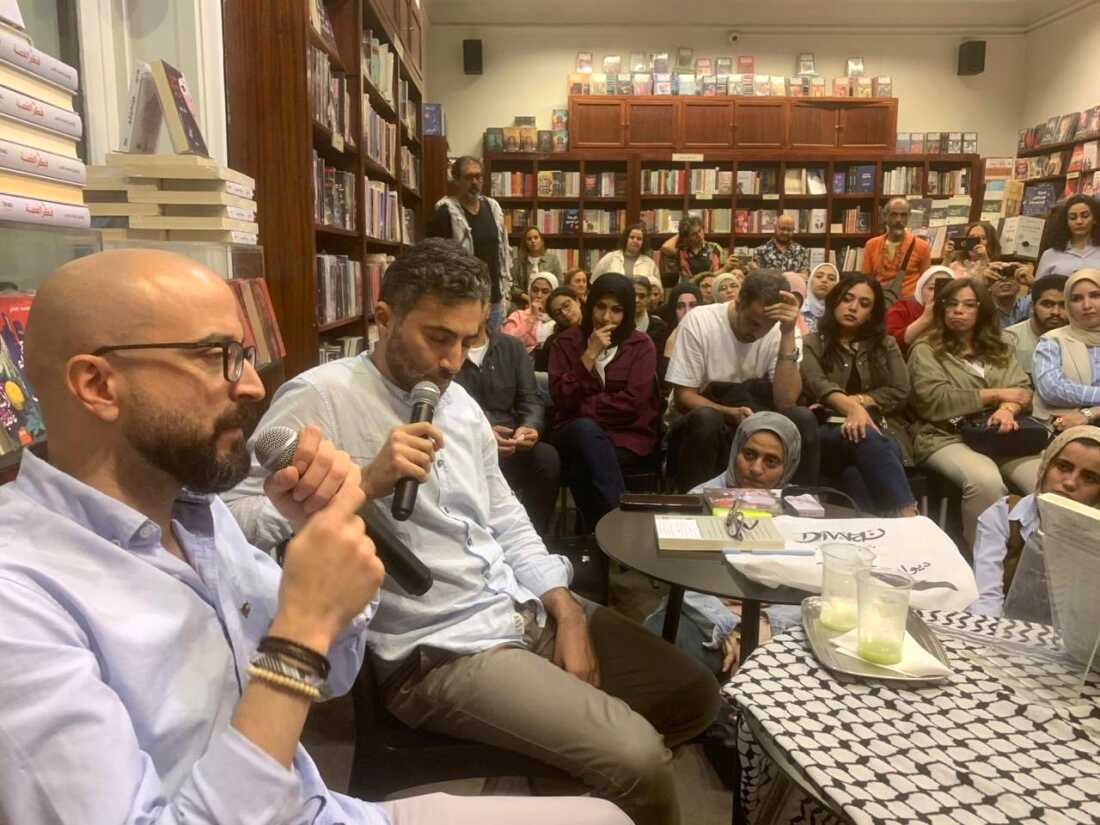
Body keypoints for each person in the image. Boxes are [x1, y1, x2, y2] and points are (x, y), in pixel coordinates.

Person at [0, 249, 629, 825]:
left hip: (322, 806)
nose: (250, 385)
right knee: (631, 769)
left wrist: (326, 553)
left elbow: (332, 678)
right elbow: (304, 664)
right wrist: (299, 638)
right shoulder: (21, 599)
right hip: (349, 747)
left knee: (609, 818)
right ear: (97, 385)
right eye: (217, 356)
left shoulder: (193, 513)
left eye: (243, 355)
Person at [226, 239, 717, 825]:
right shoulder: (321, 395)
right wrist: (365, 480)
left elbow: (506, 517)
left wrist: (563, 609)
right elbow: (234, 519)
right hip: (438, 650)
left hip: (516, 607)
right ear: (383, 319)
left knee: (695, 695)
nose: (453, 360)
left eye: (468, 340)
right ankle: (589, 774)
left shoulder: (457, 404)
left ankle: (562, 775)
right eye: (438, 338)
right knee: (639, 762)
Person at [644, 413, 804, 674]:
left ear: (788, 467)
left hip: (778, 618)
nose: (755, 469)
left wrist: (769, 624)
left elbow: (813, 589)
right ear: (734, 452)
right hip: (704, 615)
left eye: (771, 461)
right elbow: (684, 579)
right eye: (749, 454)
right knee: (661, 655)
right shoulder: (699, 500)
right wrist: (728, 626)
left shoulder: (798, 510)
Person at [907, 277, 1042, 547]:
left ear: (982, 311)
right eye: (952, 304)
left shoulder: (1000, 347)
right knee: (986, 480)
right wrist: (997, 395)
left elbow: (1021, 390)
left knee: (1048, 479)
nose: (959, 311)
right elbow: (935, 401)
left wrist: (1007, 409)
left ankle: (1041, 561)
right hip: (945, 435)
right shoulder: (926, 349)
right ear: (941, 309)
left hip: (1001, 433)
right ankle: (984, 566)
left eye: (969, 305)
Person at [664, 268, 818, 493]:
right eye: (754, 323)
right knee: (708, 419)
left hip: (756, 418)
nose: (759, 334)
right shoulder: (700, 320)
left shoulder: (784, 328)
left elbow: (786, 401)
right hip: (704, 415)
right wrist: (730, 412)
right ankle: (693, 507)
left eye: (769, 327)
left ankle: (800, 507)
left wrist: (785, 333)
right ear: (738, 302)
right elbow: (684, 396)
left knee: (802, 418)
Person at [548, 274, 660, 531]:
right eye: (600, 307)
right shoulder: (565, 342)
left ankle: (593, 538)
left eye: (617, 310)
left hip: (626, 436)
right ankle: (621, 524)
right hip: (572, 432)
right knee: (585, 432)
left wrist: (583, 407)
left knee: (582, 463)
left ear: (628, 312)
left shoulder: (641, 345)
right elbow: (560, 397)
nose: (606, 318)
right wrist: (589, 355)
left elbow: (634, 402)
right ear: (590, 305)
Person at [801, 273, 918, 516]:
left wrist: (858, 402)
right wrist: (852, 410)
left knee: (855, 474)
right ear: (835, 301)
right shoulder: (813, 342)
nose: (853, 307)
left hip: (878, 428)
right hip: (828, 430)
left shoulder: (885, 344)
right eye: (847, 299)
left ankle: (870, 535)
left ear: (871, 314)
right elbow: (818, 385)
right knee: (867, 435)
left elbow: (901, 390)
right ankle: (908, 514)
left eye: (864, 304)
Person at [969, 426, 1100, 617]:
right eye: (1063, 467)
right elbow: (987, 599)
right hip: (1005, 629)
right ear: (1045, 466)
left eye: (1089, 477)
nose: (1070, 482)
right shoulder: (1004, 515)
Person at [456, 304, 561, 534]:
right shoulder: (448, 350)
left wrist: (529, 427)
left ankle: (535, 535)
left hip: (510, 442)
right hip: (464, 444)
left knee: (547, 459)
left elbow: (530, 399)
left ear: (486, 309)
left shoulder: (512, 347)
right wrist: (483, 434)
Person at [427, 156, 512, 331]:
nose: (474, 182)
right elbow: (434, 260)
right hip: (462, 299)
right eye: (468, 177)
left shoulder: (493, 208)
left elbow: (501, 251)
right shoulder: (446, 212)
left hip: (493, 299)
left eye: (478, 176)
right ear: (457, 180)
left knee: (491, 353)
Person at [1033, 269, 1100, 430]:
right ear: (1068, 305)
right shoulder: (1052, 341)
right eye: (1076, 299)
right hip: (1066, 428)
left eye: (1095, 296)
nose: (1087, 305)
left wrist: (1091, 413)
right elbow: (1051, 389)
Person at [861, 197, 932, 302]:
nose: (899, 220)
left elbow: (927, 282)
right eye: (894, 215)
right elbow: (865, 281)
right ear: (885, 216)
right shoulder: (872, 245)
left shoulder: (921, 246)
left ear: (909, 217)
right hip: (880, 305)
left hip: (909, 307)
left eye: (903, 215)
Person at [1004, 274, 1068, 376]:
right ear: (1032, 306)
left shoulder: (1082, 340)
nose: (1056, 312)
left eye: (1063, 305)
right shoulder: (1008, 338)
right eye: (1047, 304)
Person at [885, 264, 955, 355]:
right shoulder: (903, 308)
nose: (935, 294)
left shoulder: (957, 312)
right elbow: (888, 344)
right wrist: (924, 319)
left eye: (945, 289)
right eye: (931, 288)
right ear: (920, 289)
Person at [1035, 194, 1100, 278]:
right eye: (1073, 218)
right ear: (1066, 222)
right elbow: (1039, 289)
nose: (1079, 221)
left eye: (1085, 216)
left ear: (1095, 219)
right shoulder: (1050, 255)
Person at [658, 214, 725, 286]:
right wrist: (681, 234)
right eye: (694, 234)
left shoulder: (715, 248)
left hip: (711, 288)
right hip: (688, 290)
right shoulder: (682, 252)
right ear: (687, 237)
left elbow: (722, 272)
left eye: (700, 231)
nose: (699, 235)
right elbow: (665, 247)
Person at [502, 272, 557, 353]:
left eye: (545, 292)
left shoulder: (558, 316)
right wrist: (532, 318)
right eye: (535, 290)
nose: (539, 295)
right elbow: (507, 344)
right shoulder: (518, 316)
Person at [658, 282, 703, 382]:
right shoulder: (663, 337)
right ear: (673, 311)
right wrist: (669, 351)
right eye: (680, 306)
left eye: (693, 305)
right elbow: (664, 382)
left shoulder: (711, 335)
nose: (687, 312)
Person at [509, 226, 562, 308]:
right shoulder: (518, 262)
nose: (533, 241)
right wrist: (528, 298)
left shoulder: (553, 260)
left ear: (541, 241)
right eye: (529, 239)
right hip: (524, 304)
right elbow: (512, 286)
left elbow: (559, 283)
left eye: (536, 238)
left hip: (548, 303)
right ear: (525, 243)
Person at [535, 285, 584, 372]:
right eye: (558, 313)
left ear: (577, 301)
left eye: (566, 305)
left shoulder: (596, 328)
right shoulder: (554, 343)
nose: (564, 313)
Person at [593, 222, 661, 285]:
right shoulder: (610, 258)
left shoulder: (650, 264)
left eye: (639, 239)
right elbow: (594, 281)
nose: (635, 241)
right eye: (632, 237)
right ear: (626, 239)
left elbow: (657, 289)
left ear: (643, 242)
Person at [634, 274, 669, 355]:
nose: (636, 300)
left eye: (641, 296)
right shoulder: (618, 324)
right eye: (633, 295)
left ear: (648, 298)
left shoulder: (660, 327)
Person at [801, 262, 839, 334]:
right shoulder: (799, 309)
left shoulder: (838, 312)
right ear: (810, 280)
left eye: (831, 279)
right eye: (819, 276)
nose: (824, 280)